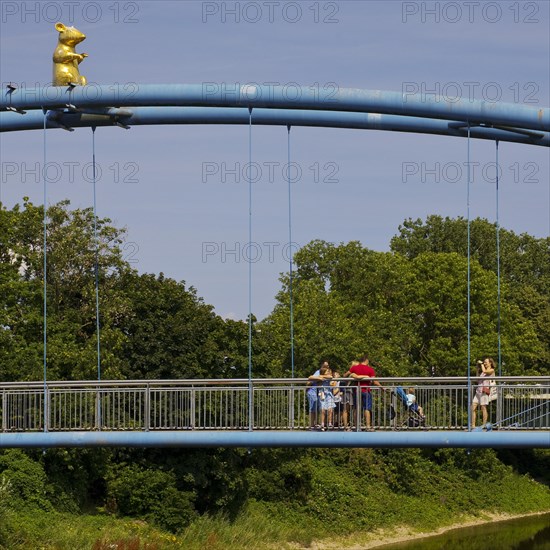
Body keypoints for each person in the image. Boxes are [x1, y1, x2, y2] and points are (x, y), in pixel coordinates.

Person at [343, 355, 385, 430]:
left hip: (356, 390)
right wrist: (382, 387)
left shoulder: (354, 368)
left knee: (356, 408)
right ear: (366, 360)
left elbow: (345, 375)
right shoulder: (370, 369)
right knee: (367, 408)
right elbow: (375, 381)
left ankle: (356, 426)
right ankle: (368, 426)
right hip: (366, 390)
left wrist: (352, 376)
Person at [471, 357, 496, 429]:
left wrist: (481, 364)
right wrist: (477, 369)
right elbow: (477, 379)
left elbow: (485, 372)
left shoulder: (491, 370)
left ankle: (484, 424)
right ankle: (473, 425)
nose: (484, 363)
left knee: (483, 408)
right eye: (484, 362)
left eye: (485, 362)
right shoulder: (482, 371)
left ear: (490, 363)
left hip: (484, 391)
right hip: (478, 391)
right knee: (473, 407)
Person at [307, 360, 331, 429]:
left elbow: (331, 377)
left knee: (318, 408)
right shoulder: (318, 372)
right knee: (313, 408)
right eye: (326, 365)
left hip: (318, 392)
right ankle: (312, 425)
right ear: (322, 366)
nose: (327, 367)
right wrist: (319, 377)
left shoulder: (327, 373)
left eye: (328, 365)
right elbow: (310, 377)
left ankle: (316, 424)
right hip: (313, 391)